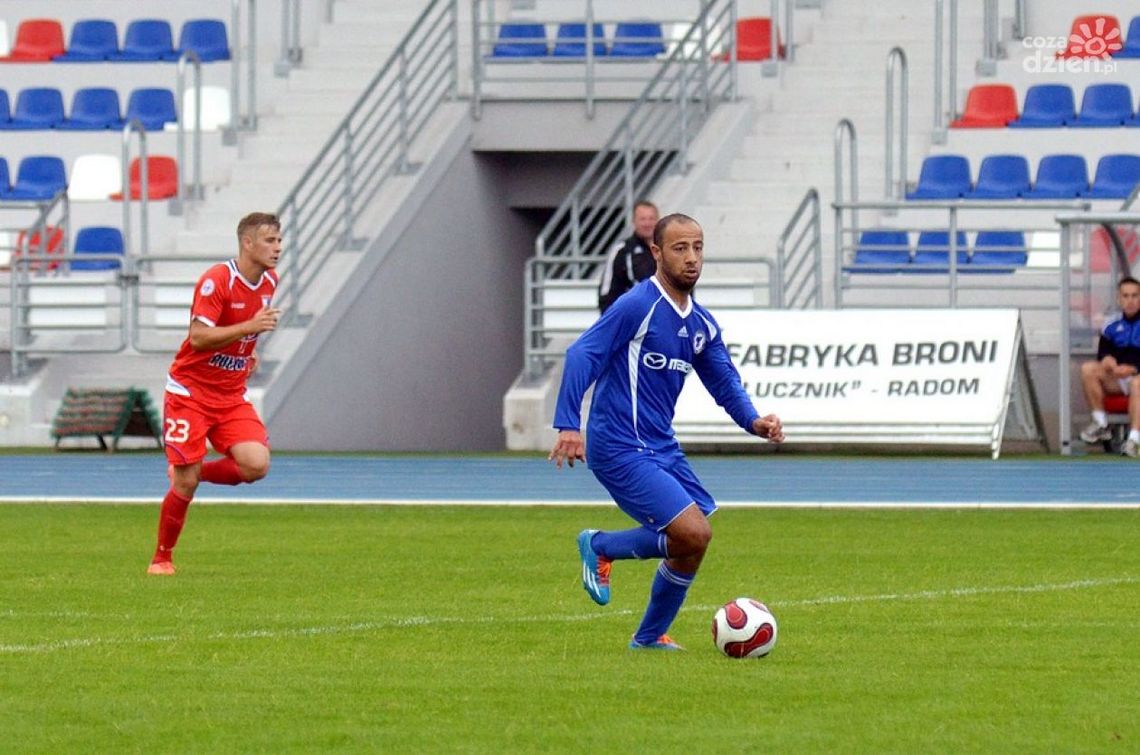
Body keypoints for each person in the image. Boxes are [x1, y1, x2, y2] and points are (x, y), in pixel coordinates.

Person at [549, 212, 784, 650]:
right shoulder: (638, 305)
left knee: (692, 544)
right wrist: (568, 425)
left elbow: (724, 382)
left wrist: (754, 420)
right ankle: (600, 546)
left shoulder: (701, 324)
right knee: (693, 532)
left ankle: (649, 637)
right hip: (618, 444)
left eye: (697, 248)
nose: (691, 258)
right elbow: (582, 354)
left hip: (659, 447)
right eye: (680, 248)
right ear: (656, 252)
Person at [148, 212, 283, 575]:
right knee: (185, 485)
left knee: (256, 464)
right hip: (190, 392)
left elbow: (245, 334)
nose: (278, 247)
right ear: (247, 243)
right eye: (270, 241)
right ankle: (162, 558)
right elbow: (198, 337)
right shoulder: (216, 281)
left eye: (279, 240)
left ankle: (193, 473)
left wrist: (248, 351)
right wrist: (248, 328)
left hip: (230, 394)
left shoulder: (270, 280)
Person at [1079, 276, 1140, 457]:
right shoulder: (1111, 323)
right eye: (1126, 296)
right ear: (1119, 298)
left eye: (1135, 296)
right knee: (1088, 369)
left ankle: (1134, 440)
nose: (1130, 301)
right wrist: (1108, 361)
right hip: (1118, 377)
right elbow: (1103, 352)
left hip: (1137, 377)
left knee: (1137, 384)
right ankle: (1101, 424)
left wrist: (1133, 369)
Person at [597, 200, 659, 313]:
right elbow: (606, 293)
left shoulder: (667, 250)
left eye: (651, 219)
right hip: (633, 318)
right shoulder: (622, 250)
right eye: (642, 219)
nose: (647, 223)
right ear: (633, 221)